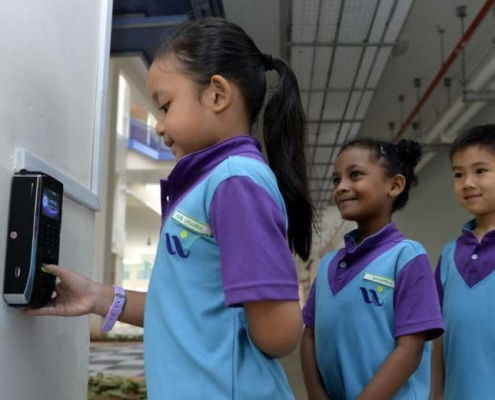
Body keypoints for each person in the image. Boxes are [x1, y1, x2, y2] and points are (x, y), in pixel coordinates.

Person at [29, 17, 315, 399]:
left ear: (217, 94)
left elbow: (279, 335)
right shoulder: (214, 184)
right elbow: (185, 311)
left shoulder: (235, 183)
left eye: (165, 106)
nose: (159, 126)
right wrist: (98, 298)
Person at [300, 138, 444, 399]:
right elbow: (309, 337)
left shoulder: (407, 257)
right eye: (336, 180)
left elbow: (409, 351)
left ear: (395, 185)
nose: (341, 187)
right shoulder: (327, 266)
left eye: (355, 175)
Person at [433, 124, 495, 400]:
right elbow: (438, 340)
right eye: (459, 174)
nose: (467, 182)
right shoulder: (448, 256)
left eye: (480, 171)